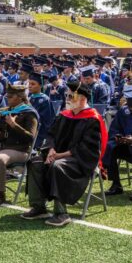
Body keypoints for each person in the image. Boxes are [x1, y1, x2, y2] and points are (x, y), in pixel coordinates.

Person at [21, 81, 107, 227]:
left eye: (71, 96)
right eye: (67, 95)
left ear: (82, 99)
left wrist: (60, 155)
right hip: (57, 155)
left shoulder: (92, 119)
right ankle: (39, 207)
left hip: (80, 160)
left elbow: (88, 148)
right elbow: (51, 135)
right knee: (35, 162)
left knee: (57, 166)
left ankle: (61, 213)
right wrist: (51, 149)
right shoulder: (64, 115)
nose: (67, 99)